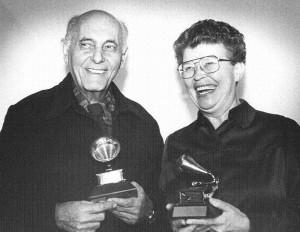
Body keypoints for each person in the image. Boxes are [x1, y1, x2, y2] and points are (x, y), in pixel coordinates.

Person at [0, 10, 170, 232]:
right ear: (66, 49)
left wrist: (149, 210)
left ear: (123, 57)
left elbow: (165, 212)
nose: (98, 57)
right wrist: (54, 216)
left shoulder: (145, 123)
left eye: (110, 46)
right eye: (86, 44)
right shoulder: (26, 116)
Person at [160, 19, 300, 232]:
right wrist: (173, 223)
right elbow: (169, 211)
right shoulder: (176, 143)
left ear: (238, 70)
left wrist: (249, 225)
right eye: (188, 67)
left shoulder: (284, 133)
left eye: (209, 63)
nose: (198, 75)